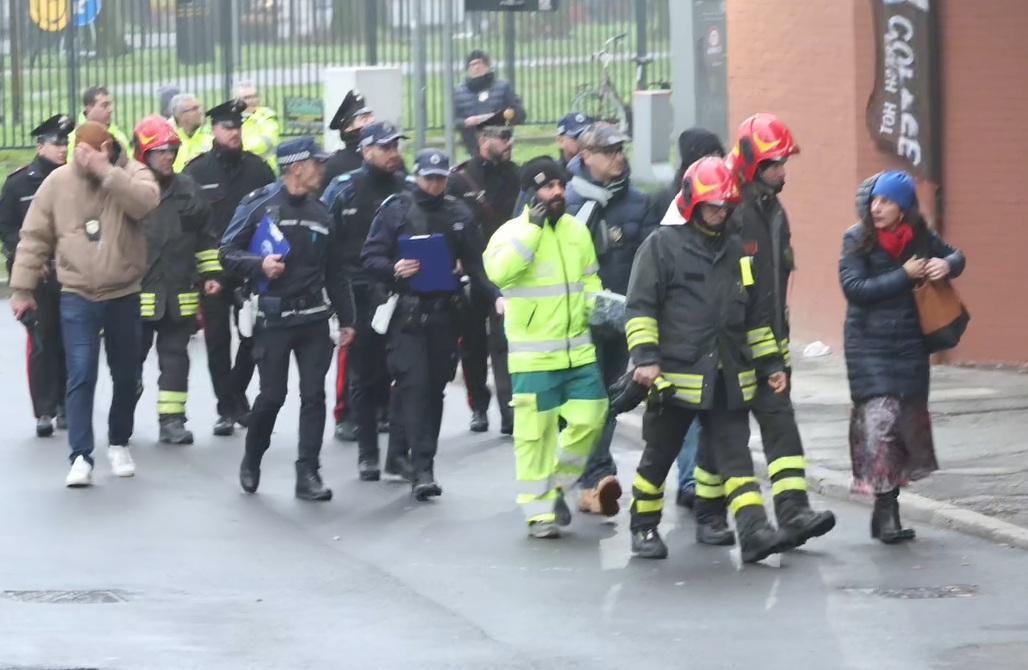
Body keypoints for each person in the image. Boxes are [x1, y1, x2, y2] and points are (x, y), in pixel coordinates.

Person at [624, 156, 788, 562]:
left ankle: (750, 530)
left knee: (734, 456)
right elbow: (640, 307)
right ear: (692, 202)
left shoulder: (737, 251)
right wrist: (645, 359)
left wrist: (770, 364)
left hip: (727, 374)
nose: (720, 213)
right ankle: (643, 526)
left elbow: (754, 315)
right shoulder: (661, 246)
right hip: (674, 377)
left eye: (726, 206)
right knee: (659, 455)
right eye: (713, 206)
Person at [9, 121, 160, 487]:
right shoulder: (58, 182)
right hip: (76, 293)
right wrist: (22, 289)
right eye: (79, 152)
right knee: (81, 374)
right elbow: (33, 237)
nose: (82, 158)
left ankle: (119, 442)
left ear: (107, 149)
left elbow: (146, 203)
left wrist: (107, 172)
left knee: (127, 374)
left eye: (91, 152)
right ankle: (80, 455)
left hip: (123, 293)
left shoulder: (132, 172)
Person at [723, 113, 836, 549]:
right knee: (727, 438)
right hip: (731, 348)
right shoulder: (728, 209)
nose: (783, 171)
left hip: (770, 345)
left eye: (784, 162)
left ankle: (793, 512)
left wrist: (776, 352)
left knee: (781, 425)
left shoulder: (773, 211)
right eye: (775, 164)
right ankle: (717, 516)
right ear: (753, 162)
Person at [221, 137, 355, 501]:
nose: (322, 169)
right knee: (272, 396)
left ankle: (308, 473)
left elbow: (336, 272)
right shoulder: (258, 205)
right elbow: (227, 253)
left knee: (314, 396)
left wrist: (348, 320)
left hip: (314, 319)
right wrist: (259, 264)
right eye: (317, 163)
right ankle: (252, 456)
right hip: (273, 319)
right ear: (296, 167)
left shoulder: (322, 212)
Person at [362, 148, 501, 499]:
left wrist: (496, 295)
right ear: (417, 177)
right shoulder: (396, 210)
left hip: (444, 314)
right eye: (429, 178)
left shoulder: (459, 213)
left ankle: (398, 455)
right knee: (415, 385)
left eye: (440, 178)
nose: (435, 185)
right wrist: (395, 268)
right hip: (407, 315)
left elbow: (476, 266)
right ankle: (423, 468)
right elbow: (370, 257)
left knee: (433, 388)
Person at [484, 156, 608, 539]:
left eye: (560, 186)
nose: (557, 193)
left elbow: (590, 280)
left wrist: (598, 308)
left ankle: (556, 487)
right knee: (535, 438)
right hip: (533, 358)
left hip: (579, 352)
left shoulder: (576, 231)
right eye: (548, 187)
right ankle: (539, 514)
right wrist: (533, 233)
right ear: (529, 193)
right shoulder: (510, 233)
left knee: (591, 418)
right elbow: (499, 273)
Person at [840, 170, 965, 543]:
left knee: (902, 426)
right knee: (880, 426)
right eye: (875, 201)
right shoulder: (856, 238)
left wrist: (948, 265)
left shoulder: (920, 237)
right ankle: (887, 511)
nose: (877, 208)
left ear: (904, 207)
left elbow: (957, 256)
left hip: (910, 346)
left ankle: (886, 509)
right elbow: (854, 288)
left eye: (887, 202)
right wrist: (904, 275)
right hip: (868, 346)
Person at [565, 122, 658, 516]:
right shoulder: (563, 199)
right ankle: (591, 476)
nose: (618, 157)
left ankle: (594, 478)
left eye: (621, 149)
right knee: (583, 402)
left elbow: (651, 261)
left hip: (620, 320)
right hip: (574, 321)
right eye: (609, 151)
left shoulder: (639, 202)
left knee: (607, 399)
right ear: (586, 156)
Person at [321, 121, 409, 479]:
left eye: (395, 146)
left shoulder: (405, 188)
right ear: (366, 150)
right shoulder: (344, 188)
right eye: (385, 147)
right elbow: (323, 236)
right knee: (365, 374)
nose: (393, 153)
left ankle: (399, 454)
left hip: (398, 291)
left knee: (404, 373)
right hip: (357, 292)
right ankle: (368, 454)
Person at [185, 99, 277, 436]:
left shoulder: (258, 169)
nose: (234, 132)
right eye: (227, 127)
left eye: (238, 127)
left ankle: (235, 393)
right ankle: (227, 407)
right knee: (217, 342)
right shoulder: (197, 172)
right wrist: (201, 274)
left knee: (254, 338)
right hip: (213, 274)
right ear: (214, 130)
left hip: (251, 269)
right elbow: (189, 227)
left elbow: (273, 216)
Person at [129, 115, 221, 445]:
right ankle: (122, 418)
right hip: (137, 293)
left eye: (171, 150)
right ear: (143, 154)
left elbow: (206, 236)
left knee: (176, 359)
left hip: (179, 291)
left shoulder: (188, 189)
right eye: (160, 151)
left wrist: (211, 274)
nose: (168, 156)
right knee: (129, 363)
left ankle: (172, 421)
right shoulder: (129, 191)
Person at [651, 127, 728, 509]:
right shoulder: (669, 210)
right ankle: (689, 482)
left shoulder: (723, 207)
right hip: (681, 336)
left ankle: (701, 483)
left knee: (707, 417)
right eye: (711, 155)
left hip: (713, 338)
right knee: (685, 416)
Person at [0, 114, 73, 438]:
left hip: (71, 273)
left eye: (66, 143)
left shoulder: (75, 179)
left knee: (71, 341)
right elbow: (6, 228)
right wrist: (28, 259)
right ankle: (44, 409)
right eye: (57, 143)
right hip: (37, 278)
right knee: (43, 342)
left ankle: (67, 404)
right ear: (40, 146)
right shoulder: (18, 184)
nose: (63, 149)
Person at [449, 112, 521, 434]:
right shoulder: (460, 179)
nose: (509, 143)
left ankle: (509, 412)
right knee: (473, 345)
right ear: (483, 140)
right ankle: (478, 405)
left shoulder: (517, 176)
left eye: (510, 136)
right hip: (472, 270)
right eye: (503, 137)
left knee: (504, 342)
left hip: (507, 271)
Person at [322, 89, 377, 442]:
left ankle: (378, 408)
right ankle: (345, 412)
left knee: (382, 347)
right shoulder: (334, 169)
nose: (369, 122)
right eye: (362, 118)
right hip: (349, 271)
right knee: (352, 344)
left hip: (382, 269)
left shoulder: (386, 164)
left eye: (369, 116)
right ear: (347, 127)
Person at [453, 50, 526, 157]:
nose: (477, 68)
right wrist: (466, 122)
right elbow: (452, 120)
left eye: (480, 63)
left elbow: (519, 114)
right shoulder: (459, 93)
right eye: (473, 64)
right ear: (468, 68)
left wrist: (494, 117)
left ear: (488, 66)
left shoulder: (503, 88)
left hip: (501, 145)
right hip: (474, 147)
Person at [322, 89, 376, 191]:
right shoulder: (335, 166)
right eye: (364, 119)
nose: (371, 121)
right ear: (348, 128)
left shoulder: (384, 155)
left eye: (371, 117)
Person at [68, 86, 131, 159]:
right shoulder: (73, 138)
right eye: (105, 105)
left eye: (110, 104)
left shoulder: (119, 136)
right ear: (89, 108)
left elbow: (130, 162)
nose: (110, 109)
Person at [235, 80, 280, 172]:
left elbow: (266, 142)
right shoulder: (232, 118)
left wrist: (237, 150)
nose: (252, 100)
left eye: (254, 96)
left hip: (265, 169)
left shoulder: (267, 115)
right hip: (240, 170)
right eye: (247, 98)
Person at [169, 93, 212, 173]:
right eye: (194, 109)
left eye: (200, 108)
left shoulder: (210, 136)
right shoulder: (168, 138)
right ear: (180, 115)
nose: (200, 112)